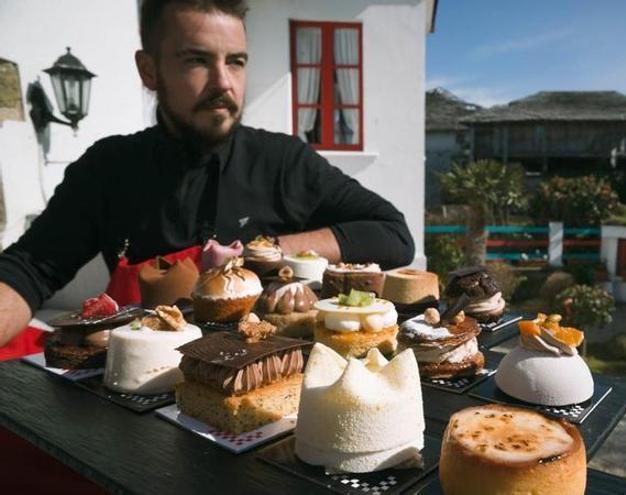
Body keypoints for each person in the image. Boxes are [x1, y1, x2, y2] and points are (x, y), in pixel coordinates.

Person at [0, 0, 414, 348]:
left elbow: (393, 234)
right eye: (197, 61)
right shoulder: (108, 168)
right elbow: (28, 270)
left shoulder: (283, 161)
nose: (223, 83)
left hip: (263, 392)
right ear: (149, 70)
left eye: (235, 62)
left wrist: (267, 249)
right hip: (136, 399)